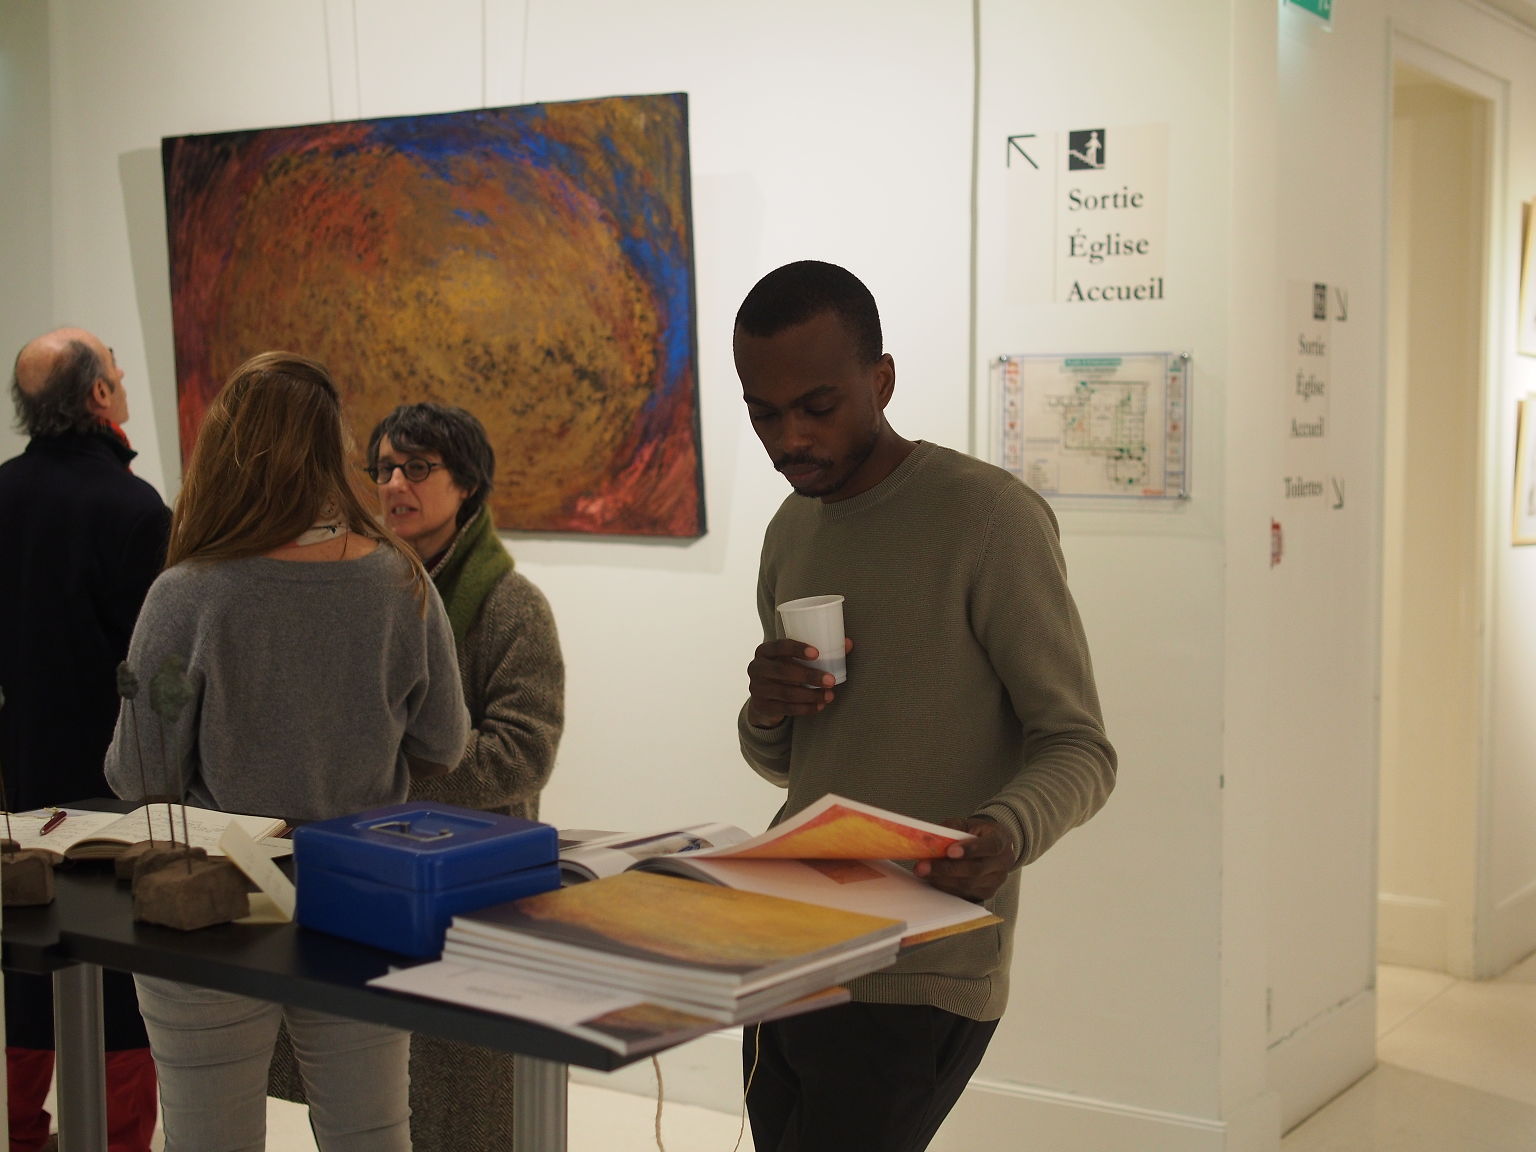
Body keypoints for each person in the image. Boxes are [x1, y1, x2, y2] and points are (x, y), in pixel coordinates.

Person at [732, 261, 1117, 1152]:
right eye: (764, 413)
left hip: (919, 963)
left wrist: (1005, 832)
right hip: (791, 935)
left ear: (882, 381)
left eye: (816, 406)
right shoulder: (792, 529)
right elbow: (788, 765)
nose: (790, 437)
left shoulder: (987, 519)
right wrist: (767, 710)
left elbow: (1079, 746)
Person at [104, 352, 469, 1152]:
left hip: (211, 899)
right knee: (371, 1133)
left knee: (210, 1139)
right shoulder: (399, 580)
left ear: (223, 450)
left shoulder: (189, 591)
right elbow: (445, 740)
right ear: (332, 447)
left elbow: (138, 775)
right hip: (361, 890)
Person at [269, 401, 565, 1150]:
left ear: (466, 483)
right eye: (384, 468)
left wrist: (388, 781)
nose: (395, 484)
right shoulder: (364, 594)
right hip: (370, 874)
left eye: (418, 468)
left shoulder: (511, 607)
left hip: (472, 886)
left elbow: (523, 749)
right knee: (364, 1100)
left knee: (463, 1104)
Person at [0, 327, 170, 1152]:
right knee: (119, 984)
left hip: (19, 782)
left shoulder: (2, 493)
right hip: (114, 792)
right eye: (116, 367)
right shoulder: (134, 511)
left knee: (27, 967)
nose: (125, 375)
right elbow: (160, 672)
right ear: (100, 395)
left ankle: (23, 1135)